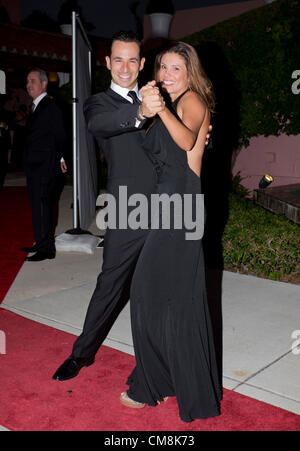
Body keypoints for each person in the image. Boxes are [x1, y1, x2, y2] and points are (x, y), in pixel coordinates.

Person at [52, 31, 211, 382]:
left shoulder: (165, 96)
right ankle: (82, 354)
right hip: (129, 210)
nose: (125, 67)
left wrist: (200, 136)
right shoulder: (99, 104)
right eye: (118, 60)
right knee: (111, 283)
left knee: (163, 291)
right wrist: (140, 111)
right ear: (107, 63)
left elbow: (185, 137)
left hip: (172, 209)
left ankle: (160, 365)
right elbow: (100, 125)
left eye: (132, 60)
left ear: (142, 64)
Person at [120, 41, 222, 422]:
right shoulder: (167, 105)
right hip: (166, 205)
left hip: (182, 207)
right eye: (163, 67)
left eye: (176, 68)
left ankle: (152, 385)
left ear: (189, 72)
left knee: (149, 293)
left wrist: (161, 111)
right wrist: (147, 111)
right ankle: (168, 381)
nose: (166, 74)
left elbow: (187, 142)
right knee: (169, 299)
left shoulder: (192, 101)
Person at [22, 68, 67, 262]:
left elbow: (60, 135)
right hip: (34, 165)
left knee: (43, 206)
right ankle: (40, 242)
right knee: (37, 206)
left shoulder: (50, 106)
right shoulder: (36, 106)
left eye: (32, 81)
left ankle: (47, 249)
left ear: (43, 84)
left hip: (45, 165)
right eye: (27, 81)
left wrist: (62, 158)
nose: (28, 85)